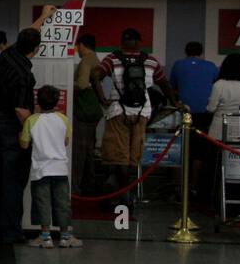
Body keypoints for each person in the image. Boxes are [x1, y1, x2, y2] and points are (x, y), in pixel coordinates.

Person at [92, 29, 176, 209]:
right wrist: (175, 102)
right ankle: (125, 196)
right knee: (132, 158)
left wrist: (103, 99)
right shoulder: (150, 61)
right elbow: (164, 84)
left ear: (122, 41)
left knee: (117, 157)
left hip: (117, 111)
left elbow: (94, 75)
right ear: (139, 42)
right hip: (142, 113)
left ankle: (121, 196)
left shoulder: (112, 58)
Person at [0, 28, 41, 244]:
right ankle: (10, 231)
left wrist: (43, 18)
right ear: (36, 49)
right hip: (11, 127)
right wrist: (34, 130)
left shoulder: (6, 56)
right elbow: (20, 110)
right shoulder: (24, 75)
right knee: (13, 180)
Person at [20, 85, 81, 249]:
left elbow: (24, 144)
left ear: (37, 101)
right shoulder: (64, 119)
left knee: (42, 202)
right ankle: (65, 236)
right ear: (56, 102)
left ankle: (45, 237)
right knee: (62, 203)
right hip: (60, 168)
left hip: (40, 170)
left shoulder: (31, 120)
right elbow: (65, 141)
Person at [71, 34, 106, 194]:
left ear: (83, 45)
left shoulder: (86, 61)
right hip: (93, 110)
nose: (77, 49)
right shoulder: (96, 59)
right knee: (89, 150)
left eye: (78, 46)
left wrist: (65, 85)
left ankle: (76, 186)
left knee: (80, 150)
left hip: (84, 110)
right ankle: (88, 184)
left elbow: (82, 84)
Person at [170, 42, 219, 130]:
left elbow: (172, 86)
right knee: (204, 136)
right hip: (206, 110)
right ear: (202, 53)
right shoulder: (211, 66)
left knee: (186, 136)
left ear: (185, 52)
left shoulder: (178, 65)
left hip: (185, 110)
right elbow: (217, 85)